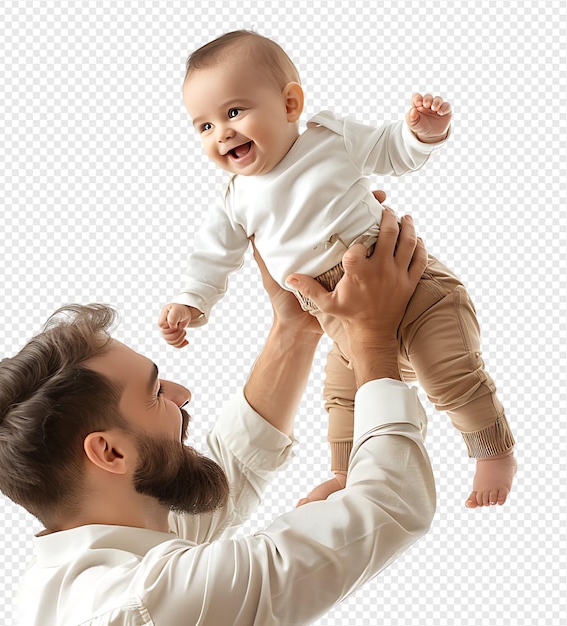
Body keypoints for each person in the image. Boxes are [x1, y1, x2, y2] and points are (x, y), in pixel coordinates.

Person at [0, 208, 436, 625]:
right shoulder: (144, 604)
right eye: (154, 393)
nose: (182, 393)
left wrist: (294, 327)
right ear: (110, 451)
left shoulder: (82, 569)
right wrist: (372, 335)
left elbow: (231, 468)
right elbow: (391, 503)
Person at [158, 29, 516, 508]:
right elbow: (212, 258)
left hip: (412, 289)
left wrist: (420, 133)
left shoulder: (329, 140)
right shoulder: (233, 200)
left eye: (234, 112)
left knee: (447, 375)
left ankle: (493, 451)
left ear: (290, 104)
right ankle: (345, 472)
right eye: (203, 126)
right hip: (336, 318)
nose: (221, 132)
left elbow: (392, 150)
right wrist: (192, 302)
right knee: (341, 400)